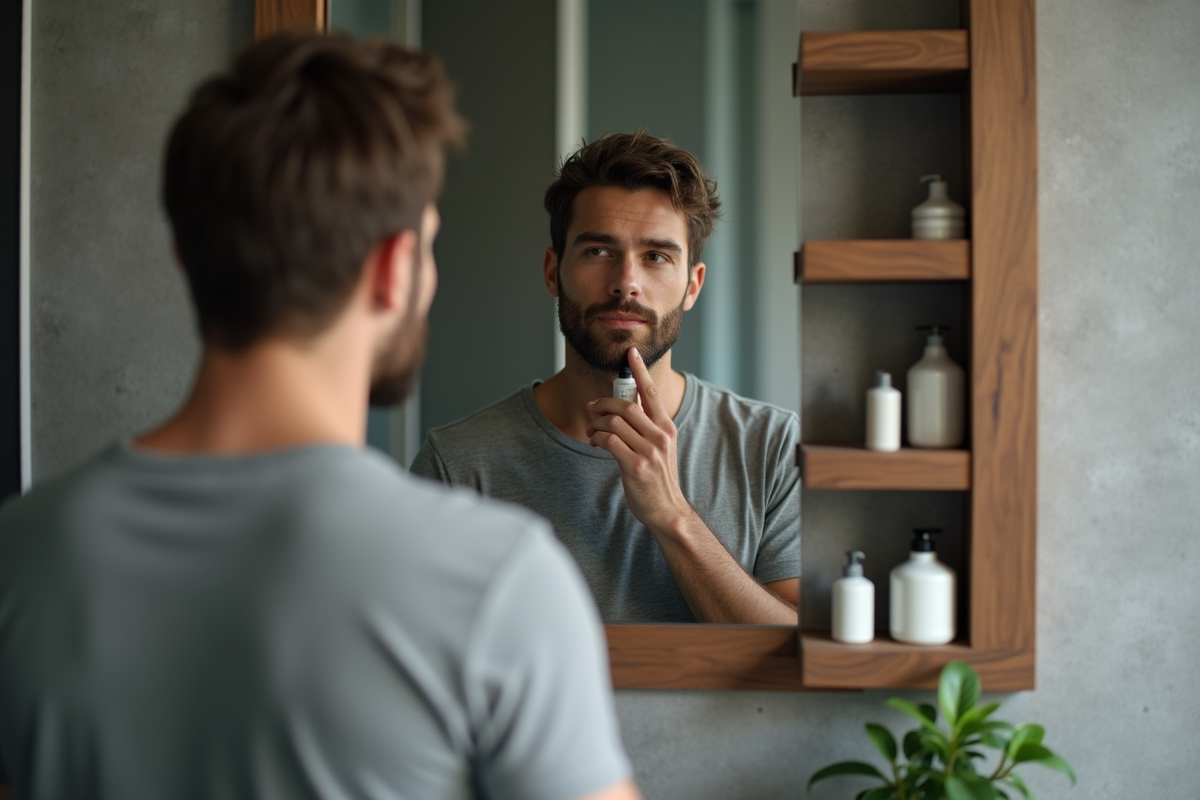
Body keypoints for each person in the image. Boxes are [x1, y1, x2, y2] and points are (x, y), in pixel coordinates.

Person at [0, 33, 637, 800]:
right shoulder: (494, 581)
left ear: (186, 256)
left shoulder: (21, 550)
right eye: (428, 250)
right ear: (392, 269)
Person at [411, 131, 800, 624]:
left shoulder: (771, 447)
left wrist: (672, 516)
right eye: (598, 251)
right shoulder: (457, 466)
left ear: (692, 286)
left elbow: (798, 655)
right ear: (552, 272)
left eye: (657, 256)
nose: (625, 283)